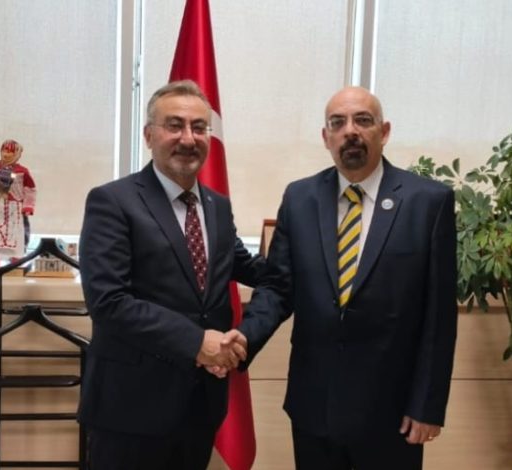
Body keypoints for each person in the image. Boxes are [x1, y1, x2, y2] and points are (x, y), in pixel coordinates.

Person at [229, 86, 458, 469]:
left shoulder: (428, 202)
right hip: (314, 406)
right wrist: (243, 339)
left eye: (362, 120)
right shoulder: (300, 198)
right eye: (338, 123)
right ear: (326, 137)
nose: (350, 130)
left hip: (393, 412)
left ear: (384, 132)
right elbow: (278, 289)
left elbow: (439, 317)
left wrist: (427, 406)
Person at [78, 80, 264, 470]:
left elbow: (247, 268)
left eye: (199, 127)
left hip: (200, 404)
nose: (188, 138)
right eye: (174, 125)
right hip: (130, 409)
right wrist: (196, 341)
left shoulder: (216, 205)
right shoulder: (112, 201)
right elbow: (109, 302)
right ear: (149, 135)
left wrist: (314, 251)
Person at [0, 139, 36, 264]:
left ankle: (15, 255)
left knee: (14, 231)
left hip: (13, 207)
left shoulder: (23, 171)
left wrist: (28, 206)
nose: (6, 154)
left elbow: (30, 189)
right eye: (4, 150)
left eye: (11, 152)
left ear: (17, 154)